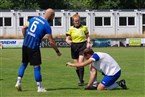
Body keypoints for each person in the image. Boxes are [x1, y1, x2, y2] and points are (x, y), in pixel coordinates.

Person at [15, 8, 61, 92]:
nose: (53, 19)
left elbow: (23, 28)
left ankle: (18, 82)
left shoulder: (33, 18)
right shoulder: (46, 25)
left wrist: (26, 38)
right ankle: (39, 88)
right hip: (34, 47)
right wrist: (57, 51)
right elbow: (51, 42)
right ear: (51, 15)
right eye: (53, 17)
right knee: (36, 67)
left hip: (25, 45)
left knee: (24, 64)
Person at [66, 12, 91, 86]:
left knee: (80, 63)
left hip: (82, 45)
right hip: (74, 46)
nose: (76, 22)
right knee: (77, 65)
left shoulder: (84, 28)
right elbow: (67, 38)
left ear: (80, 20)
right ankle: (81, 79)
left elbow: (88, 36)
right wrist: (68, 41)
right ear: (73, 21)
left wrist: (88, 42)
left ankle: (80, 80)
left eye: (78, 20)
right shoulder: (71, 29)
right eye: (75, 21)